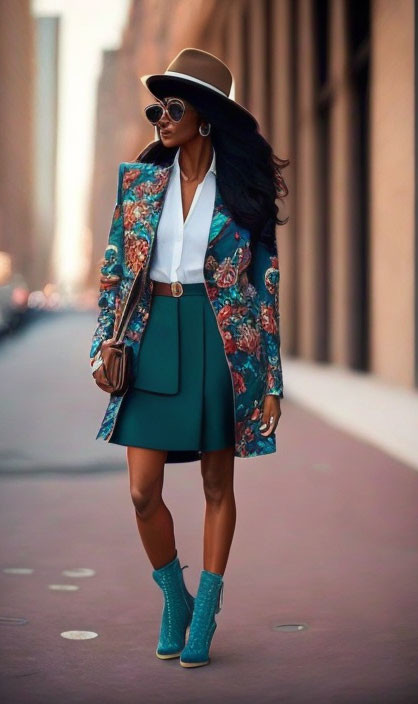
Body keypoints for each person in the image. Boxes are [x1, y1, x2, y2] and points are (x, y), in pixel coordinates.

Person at [88, 48, 288, 668]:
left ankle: (206, 614)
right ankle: (175, 595)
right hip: (151, 335)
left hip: (217, 337)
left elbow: (265, 289)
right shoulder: (141, 185)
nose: (160, 119)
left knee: (214, 482)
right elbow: (115, 273)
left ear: (205, 116)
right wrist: (103, 345)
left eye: (172, 107)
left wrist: (273, 380)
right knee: (143, 492)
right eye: (156, 109)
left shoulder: (242, 193)